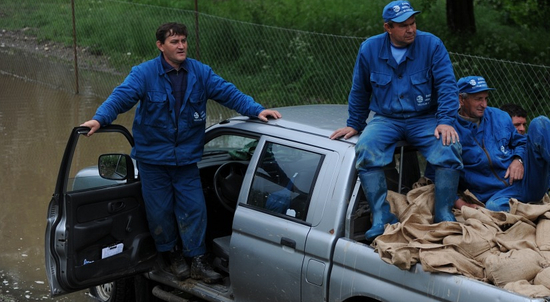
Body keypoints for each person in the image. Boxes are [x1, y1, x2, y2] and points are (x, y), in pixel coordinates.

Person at [80, 22, 281, 284]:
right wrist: (99, 119)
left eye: (184, 41)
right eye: (174, 42)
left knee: (194, 210)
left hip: (186, 160)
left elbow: (228, 92)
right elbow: (121, 97)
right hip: (153, 161)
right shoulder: (144, 74)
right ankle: (170, 255)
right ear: (160, 46)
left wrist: (256, 109)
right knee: (160, 213)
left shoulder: (200, 73)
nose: (181, 46)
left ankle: (197, 260)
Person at [329, 1, 463, 241]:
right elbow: (360, 89)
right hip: (387, 119)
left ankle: (443, 212)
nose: (411, 29)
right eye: (403, 26)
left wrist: (445, 121)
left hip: (424, 118)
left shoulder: (431, 44)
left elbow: (447, 85)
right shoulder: (369, 49)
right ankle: (382, 217)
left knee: (449, 147)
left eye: (413, 23)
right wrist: (355, 123)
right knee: (366, 148)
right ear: (388, 27)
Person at [450, 76, 550, 212]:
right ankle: (535, 210)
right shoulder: (450, 129)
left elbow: (522, 142)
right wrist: (461, 204)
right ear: (462, 99)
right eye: (478, 99)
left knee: (540, 123)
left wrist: (518, 159)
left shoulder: (499, 116)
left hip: (526, 181)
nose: (484, 104)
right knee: (493, 208)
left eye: (486, 98)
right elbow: (438, 174)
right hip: (496, 196)